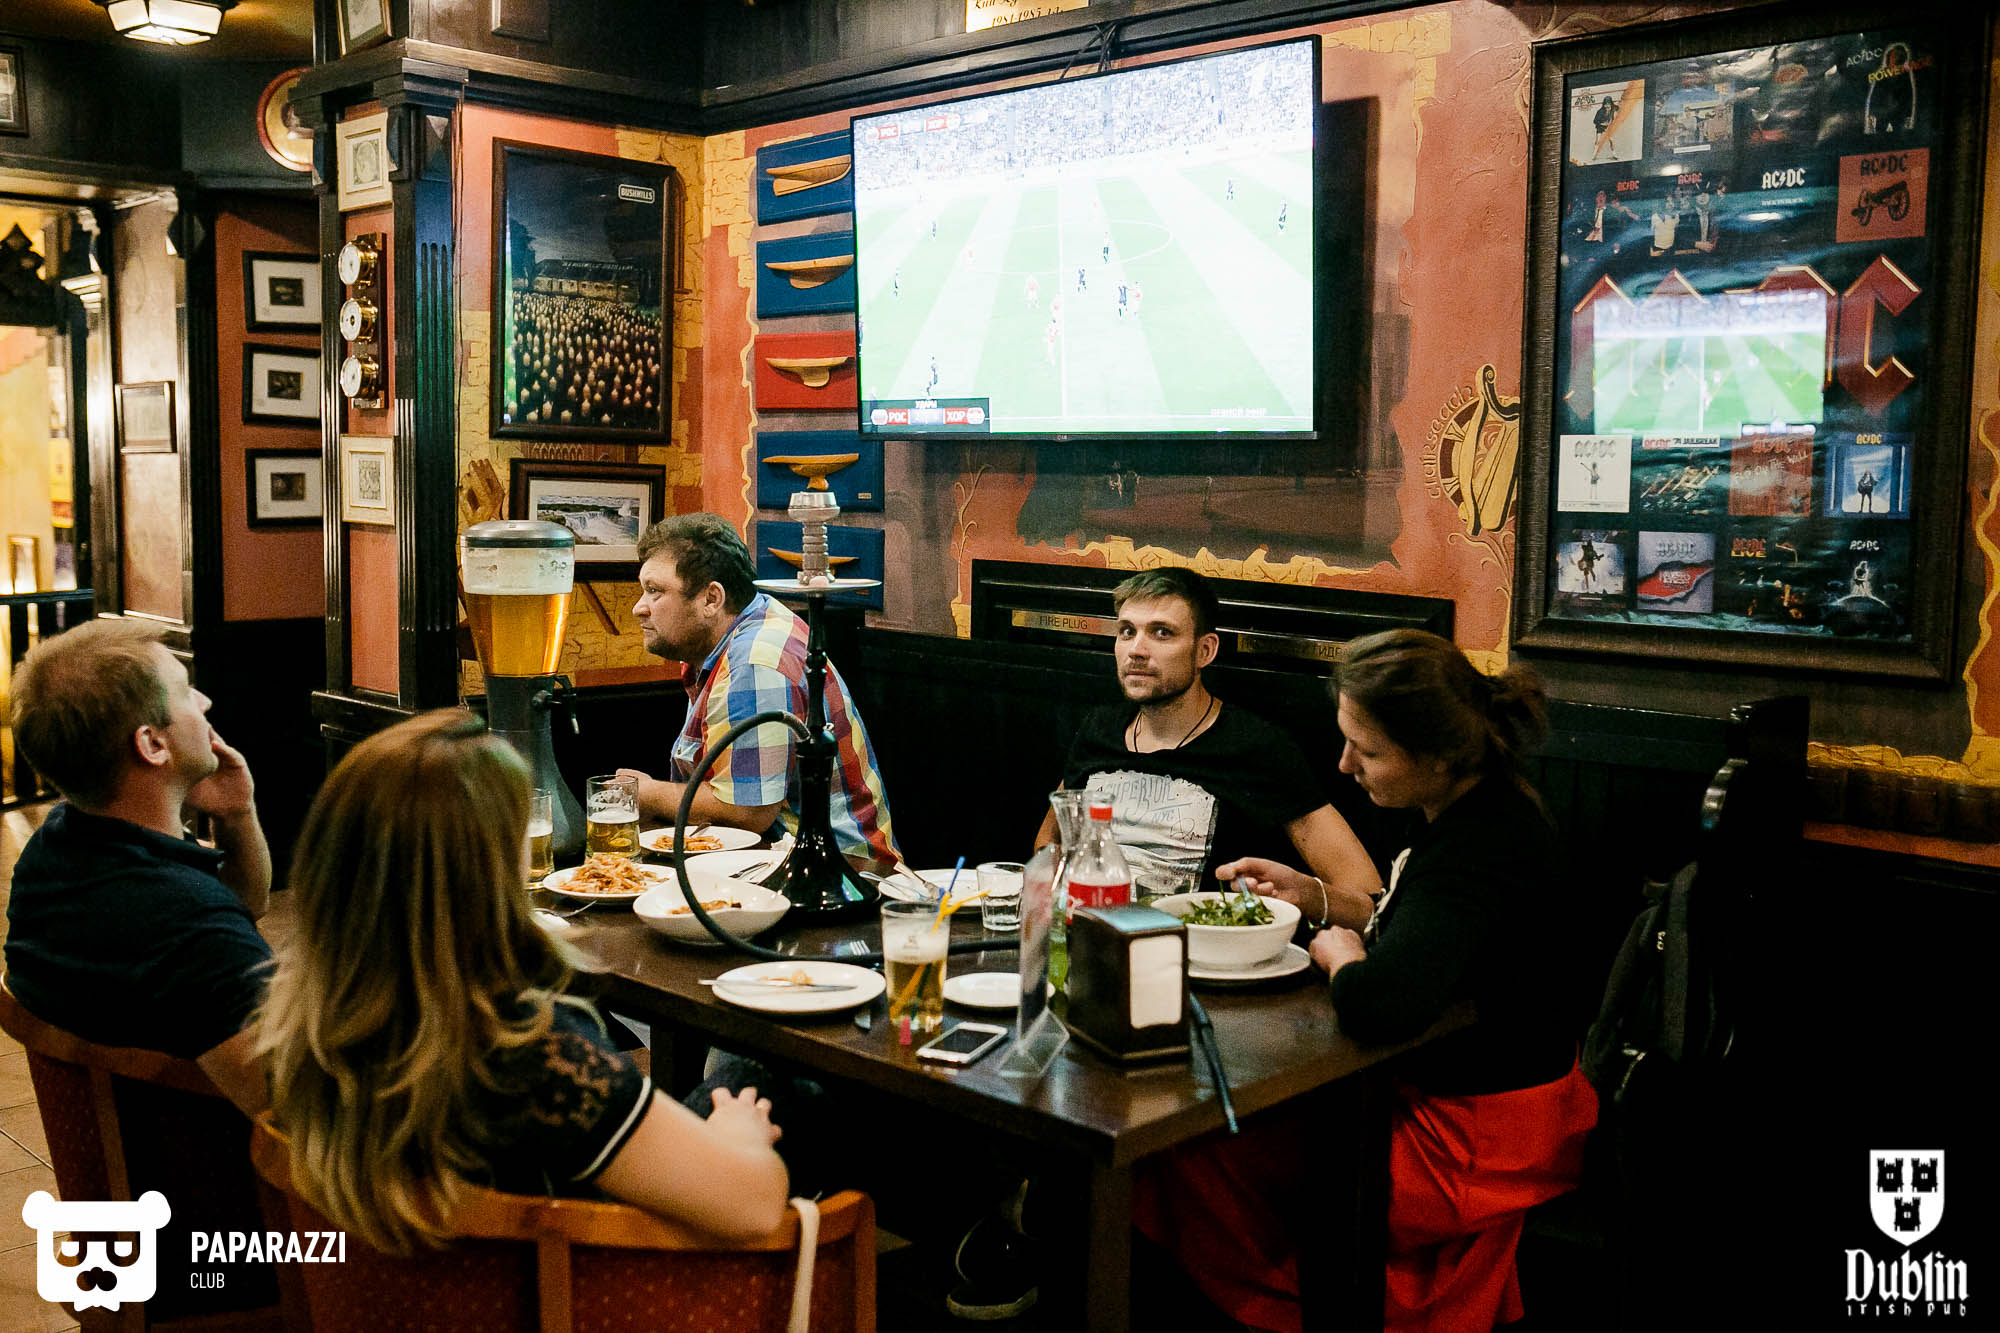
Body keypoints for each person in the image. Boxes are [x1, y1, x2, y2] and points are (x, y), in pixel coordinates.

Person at [1140, 629, 1597, 1333]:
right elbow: (1422, 930)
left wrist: (1340, 957)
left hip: (1477, 1143)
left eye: (1369, 750)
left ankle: (1304, 1309)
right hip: (1498, 1103)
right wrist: (1314, 895)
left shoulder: (1478, 849)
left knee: (1188, 1144)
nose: (1345, 764)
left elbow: (1379, 1005)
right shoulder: (1485, 804)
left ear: (1438, 755)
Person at [259, 710, 791, 1253]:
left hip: (402, 1291)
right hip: (601, 1288)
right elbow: (754, 1206)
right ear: (486, 871)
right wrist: (739, 1136)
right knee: (771, 1085)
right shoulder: (533, 1057)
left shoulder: (303, 1034)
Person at [5, 619, 271, 1115]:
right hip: (207, 1158)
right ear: (152, 744)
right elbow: (295, 1106)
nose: (205, 702)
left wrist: (236, 815)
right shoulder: (187, 927)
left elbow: (244, 906)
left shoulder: (53, 850)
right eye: (185, 691)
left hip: (128, 1150)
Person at [1037, 568, 1379, 912]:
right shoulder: (1099, 729)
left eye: (1161, 633)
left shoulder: (1254, 746)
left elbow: (1365, 894)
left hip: (1198, 939)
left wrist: (1303, 895)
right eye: (1127, 631)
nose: (1136, 650)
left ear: (1205, 651)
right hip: (1088, 927)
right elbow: (1048, 842)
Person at [618, 513, 898, 862]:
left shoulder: (755, 661)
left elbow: (748, 813)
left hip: (841, 872)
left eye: (655, 591)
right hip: (780, 857)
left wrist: (645, 793)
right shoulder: (741, 630)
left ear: (712, 599)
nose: (639, 608)